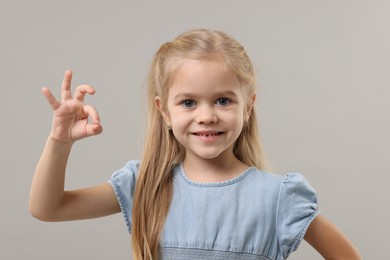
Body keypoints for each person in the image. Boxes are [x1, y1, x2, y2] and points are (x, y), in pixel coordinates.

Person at [30, 29, 361, 260]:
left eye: (222, 100)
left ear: (248, 107)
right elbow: (48, 208)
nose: (206, 116)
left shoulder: (278, 197)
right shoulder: (146, 184)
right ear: (164, 112)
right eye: (188, 102)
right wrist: (59, 142)